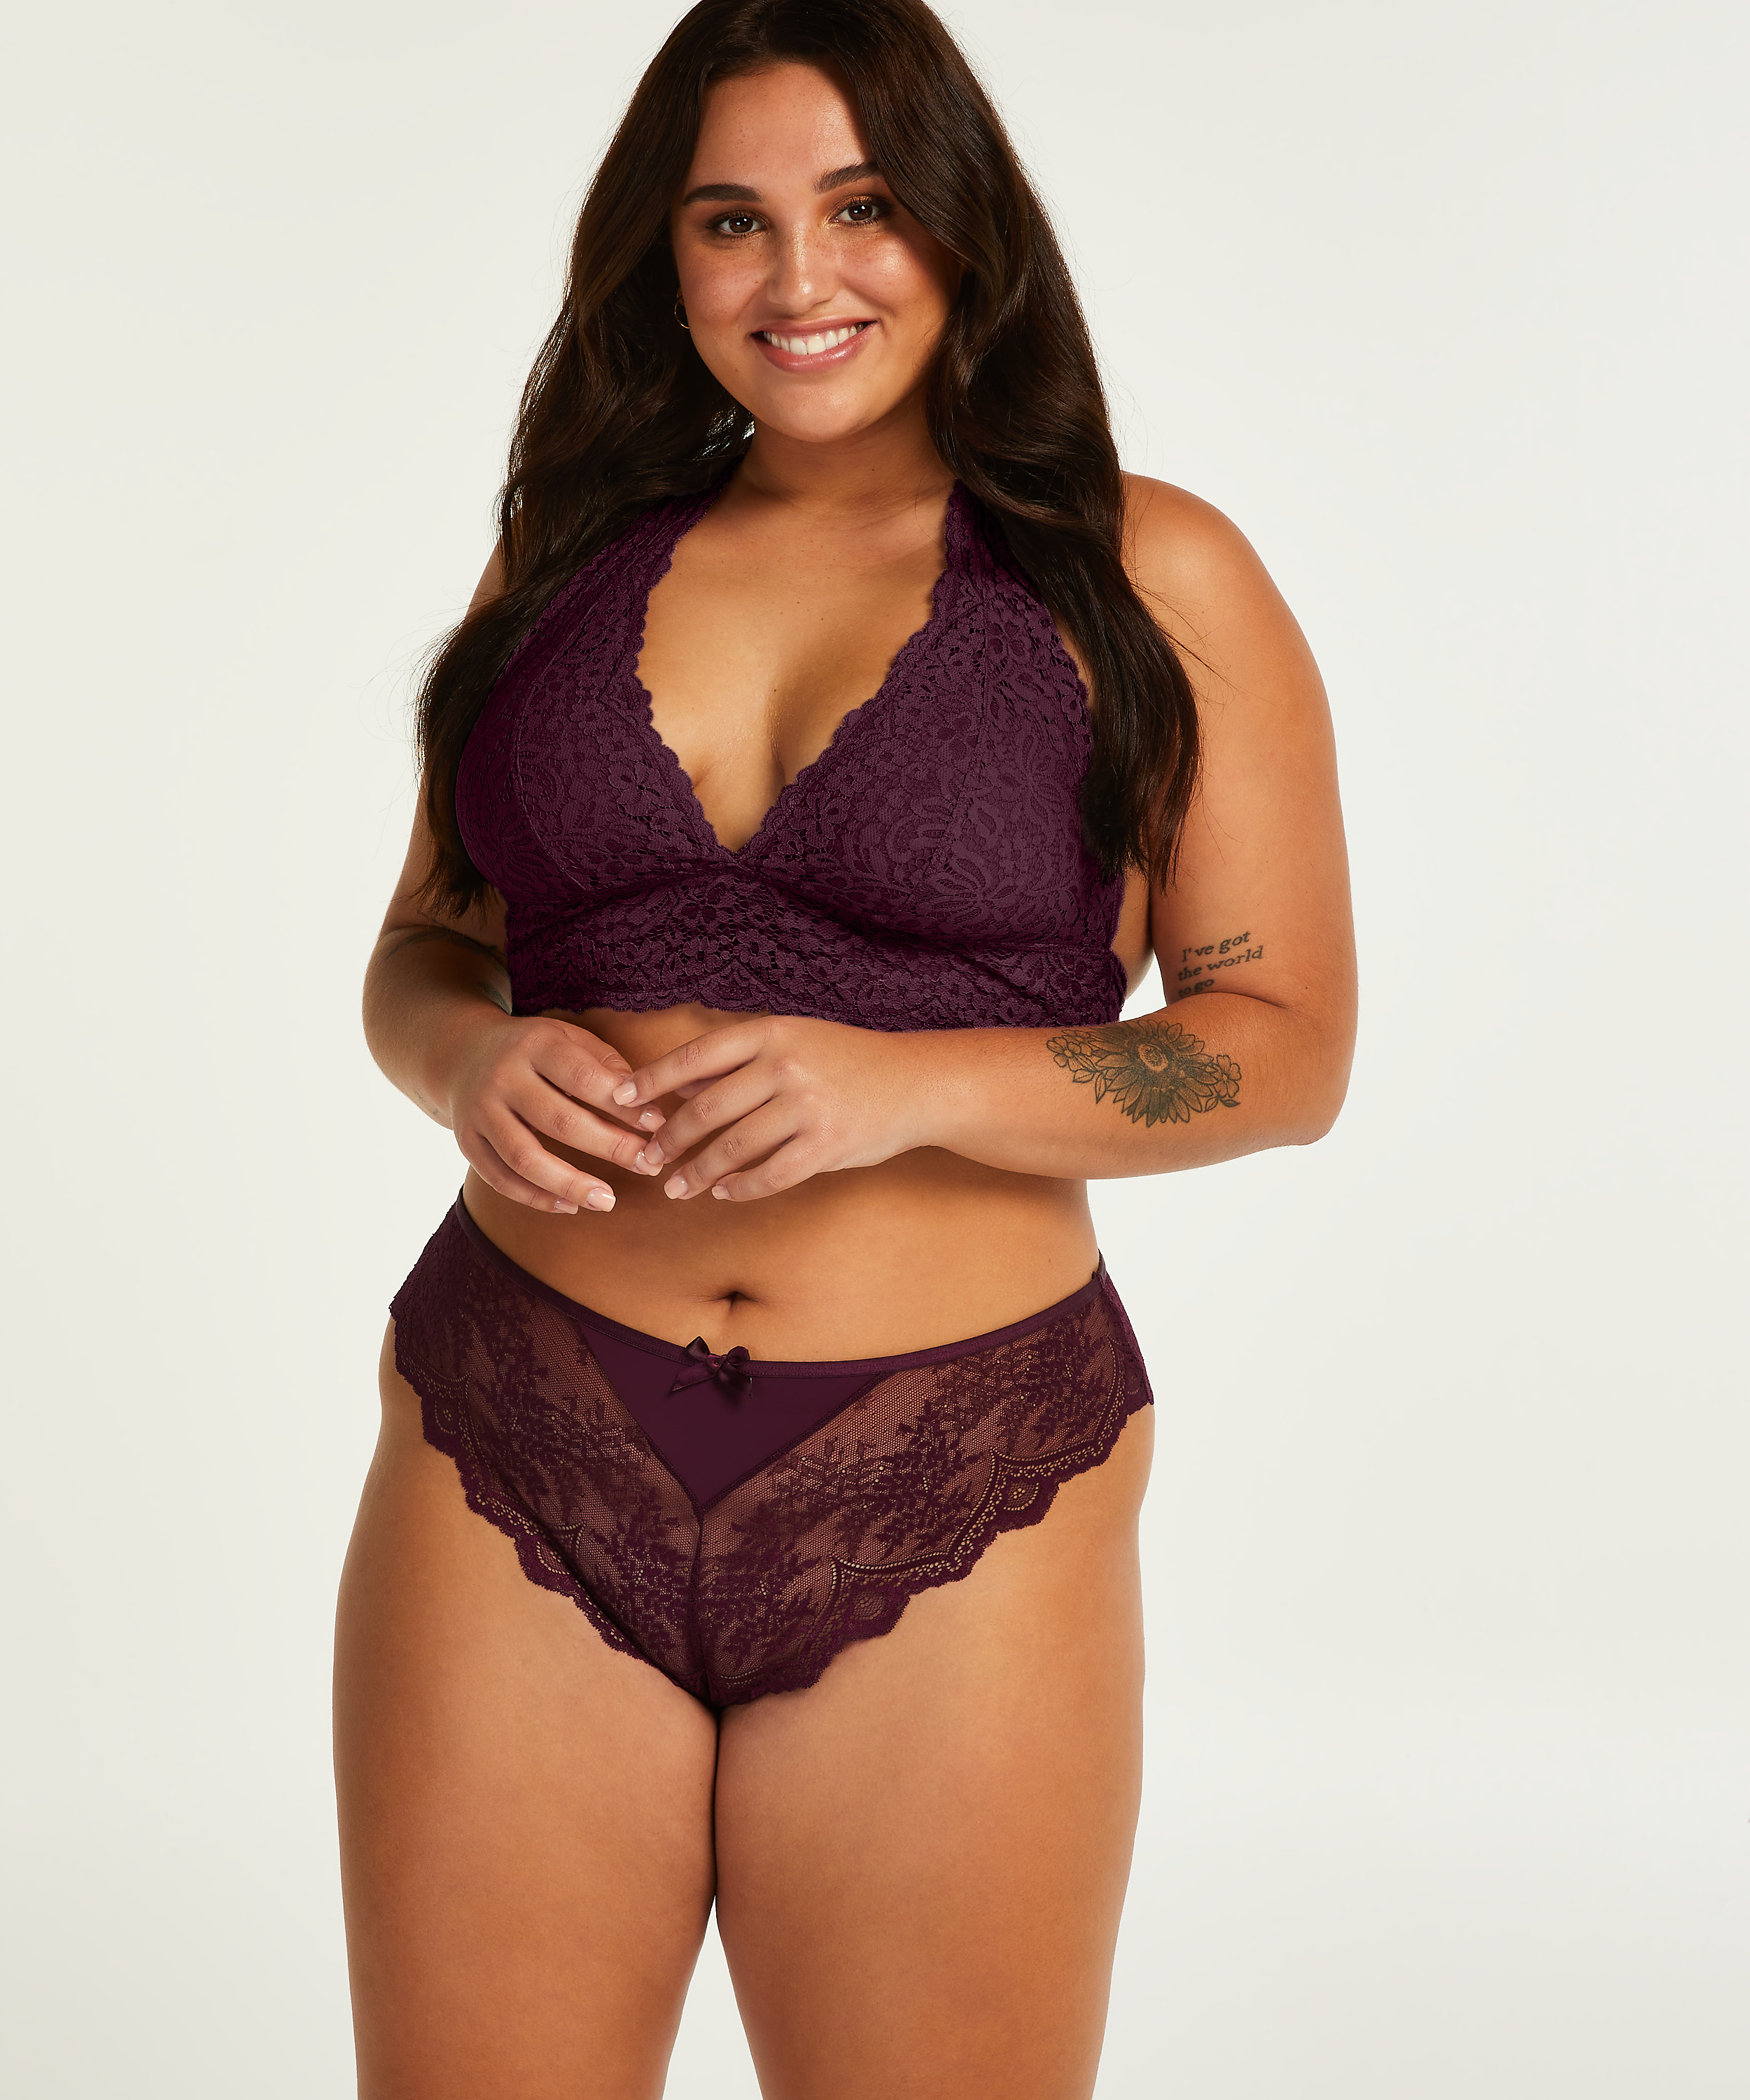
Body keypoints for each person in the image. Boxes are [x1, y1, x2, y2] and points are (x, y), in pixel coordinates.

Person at [337, 1, 1356, 2093]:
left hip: (952, 1459)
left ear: (962, 227)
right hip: (515, 1424)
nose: (799, 278)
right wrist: (460, 1064)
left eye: (862, 207)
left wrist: (908, 1086)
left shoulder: (1145, 577)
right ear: (663, 255)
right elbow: (427, 944)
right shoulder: (564, 559)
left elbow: (1280, 1048)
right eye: (732, 220)